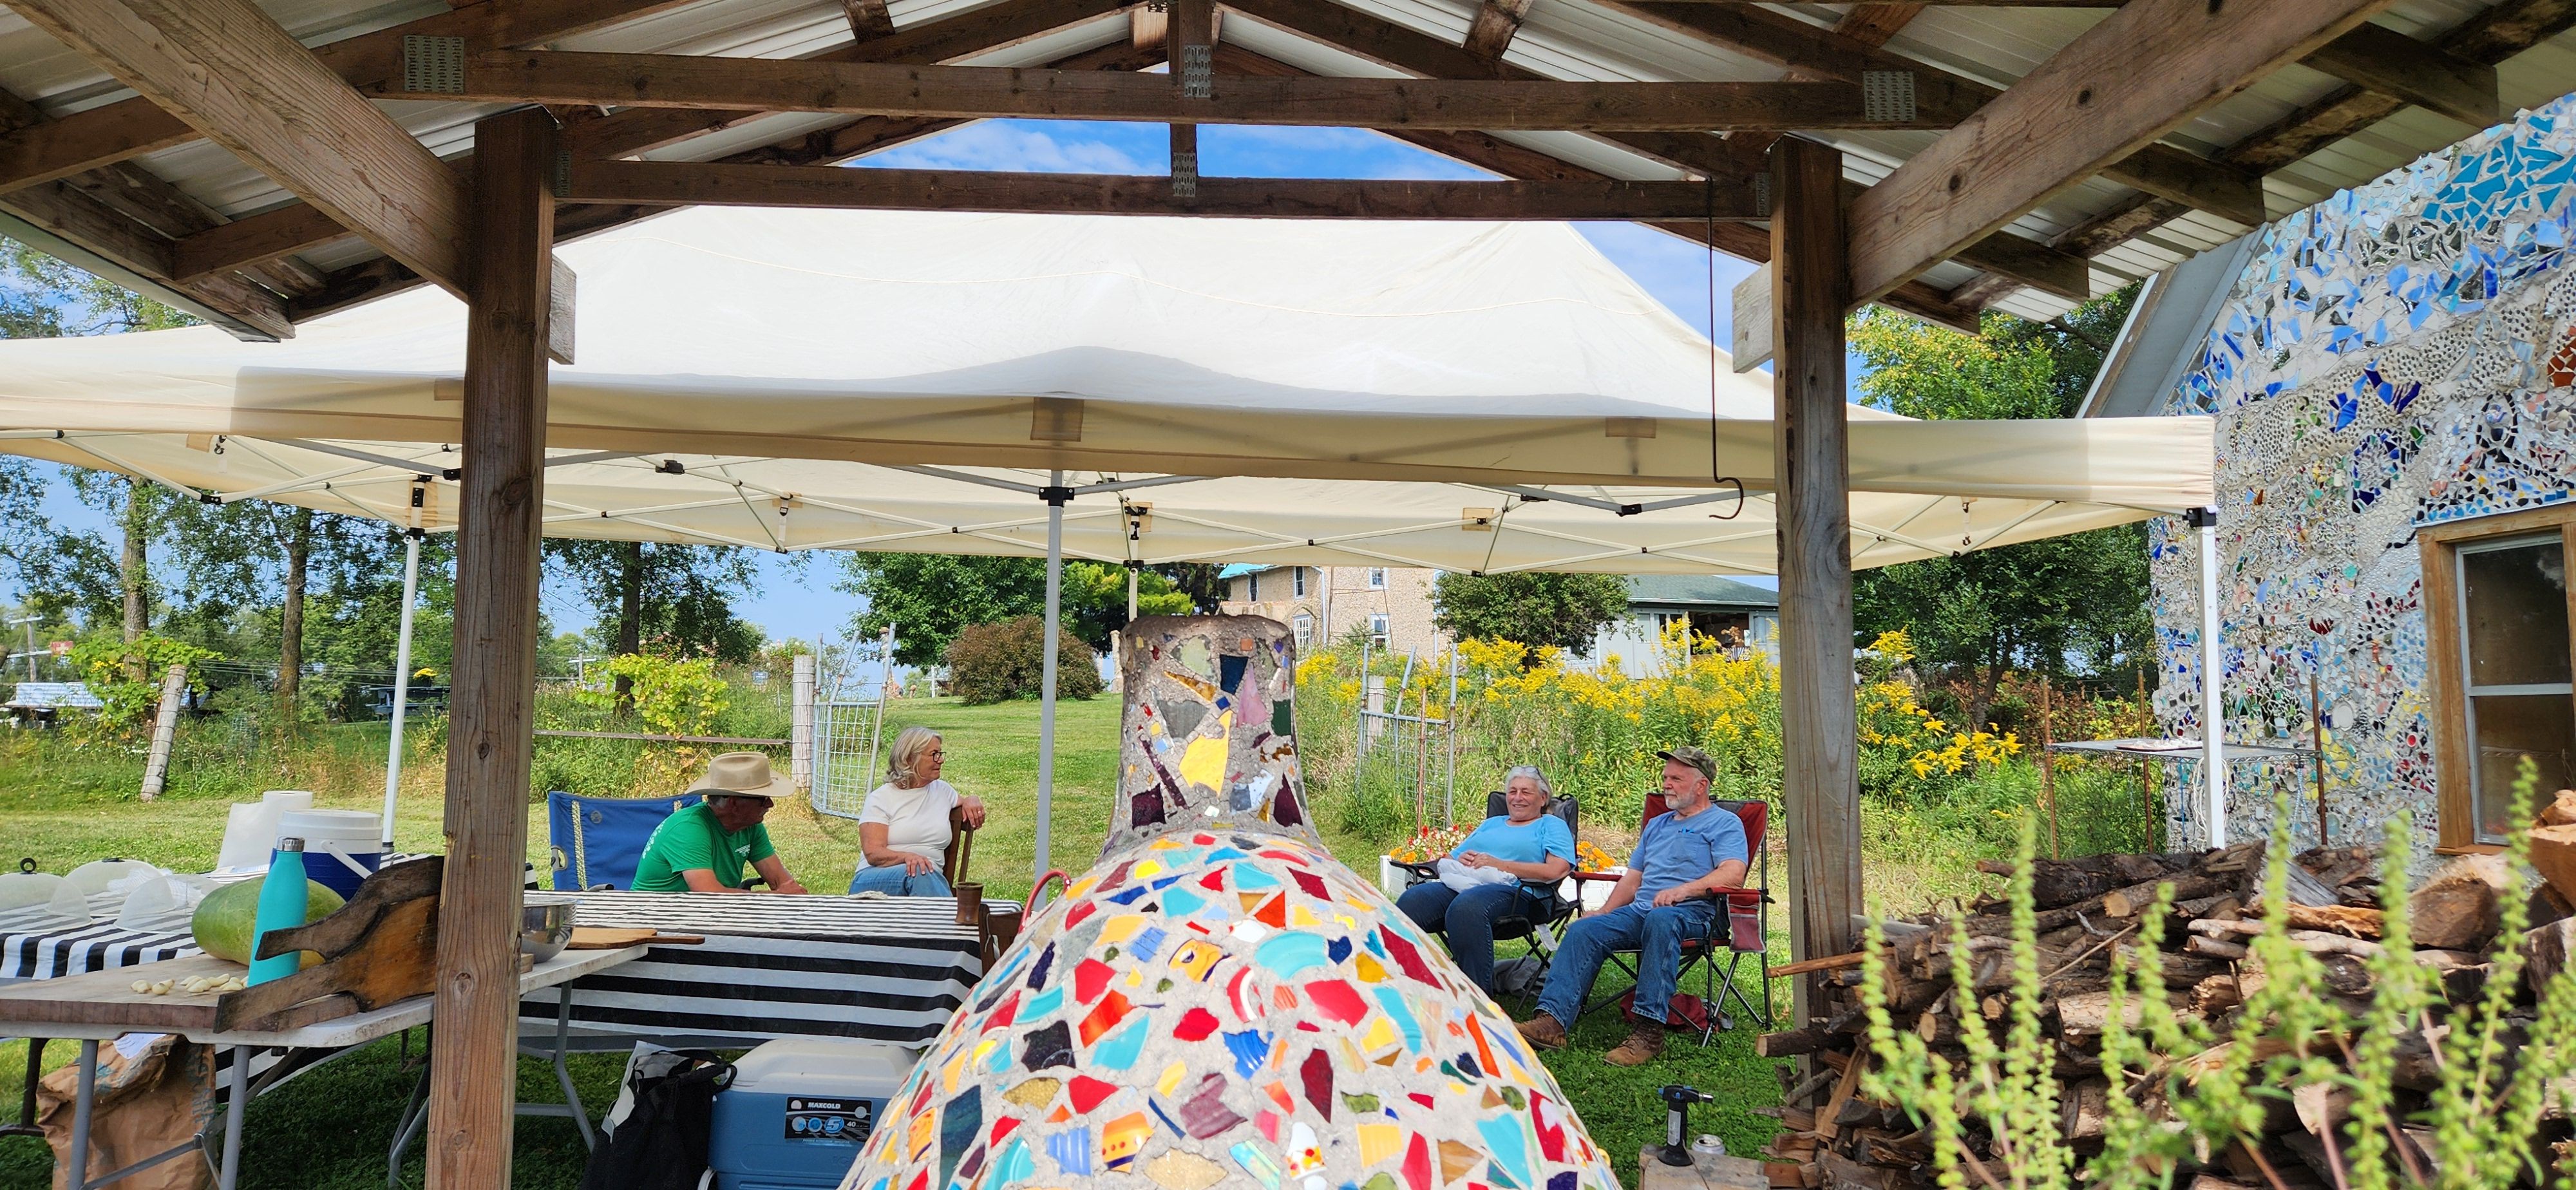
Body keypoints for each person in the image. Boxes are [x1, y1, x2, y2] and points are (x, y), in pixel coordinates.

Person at [1515, 744, 1747, 1066]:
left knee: (1663, 919)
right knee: (1585, 929)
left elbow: (1734, 874)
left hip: (1694, 913)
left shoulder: (1724, 823)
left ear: (1701, 785)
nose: (1666, 784)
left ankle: (1649, 1032)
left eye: (1676, 779)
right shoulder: (1658, 825)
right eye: (1666, 777)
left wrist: (1683, 891)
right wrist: (1605, 912)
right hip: (1641, 912)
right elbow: (1633, 878)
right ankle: (1551, 1023)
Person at [1394, 766, 1575, 996]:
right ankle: (1405, 986)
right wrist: (1463, 858)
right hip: (1468, 884)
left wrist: (1499, 864)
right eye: (1512, 791)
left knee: (1467, 907)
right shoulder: (1492, 823)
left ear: (1543, 798)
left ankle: (1477, 1000)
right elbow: (1452, 857)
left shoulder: (1551, 825)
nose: (1517, 798)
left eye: (1526, 792)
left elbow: (1557, 869)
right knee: (1413, 901)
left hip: (1523, 893)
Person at [630, 751, 810, 894]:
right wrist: (774, 897)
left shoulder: (751, 826)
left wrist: (791, 893)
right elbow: (709, 895)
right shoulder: (688, 828)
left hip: (702, 918)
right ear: (733, 803)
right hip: (655, 920)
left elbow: (784, 884)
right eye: (763, 799)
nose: (770, 804)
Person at [848, 727, 987, 896]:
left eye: (941, 754)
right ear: (909, 759)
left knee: (921, 872)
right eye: (934, 754)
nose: (940, 760)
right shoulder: (882, 798)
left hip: (927, 878)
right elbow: (873, 853)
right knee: (920, 872)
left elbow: (964, 801)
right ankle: (950, 916)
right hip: (874, 878)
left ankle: (945, 916)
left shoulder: (942, 791)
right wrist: (907, 857)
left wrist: (972, 799)